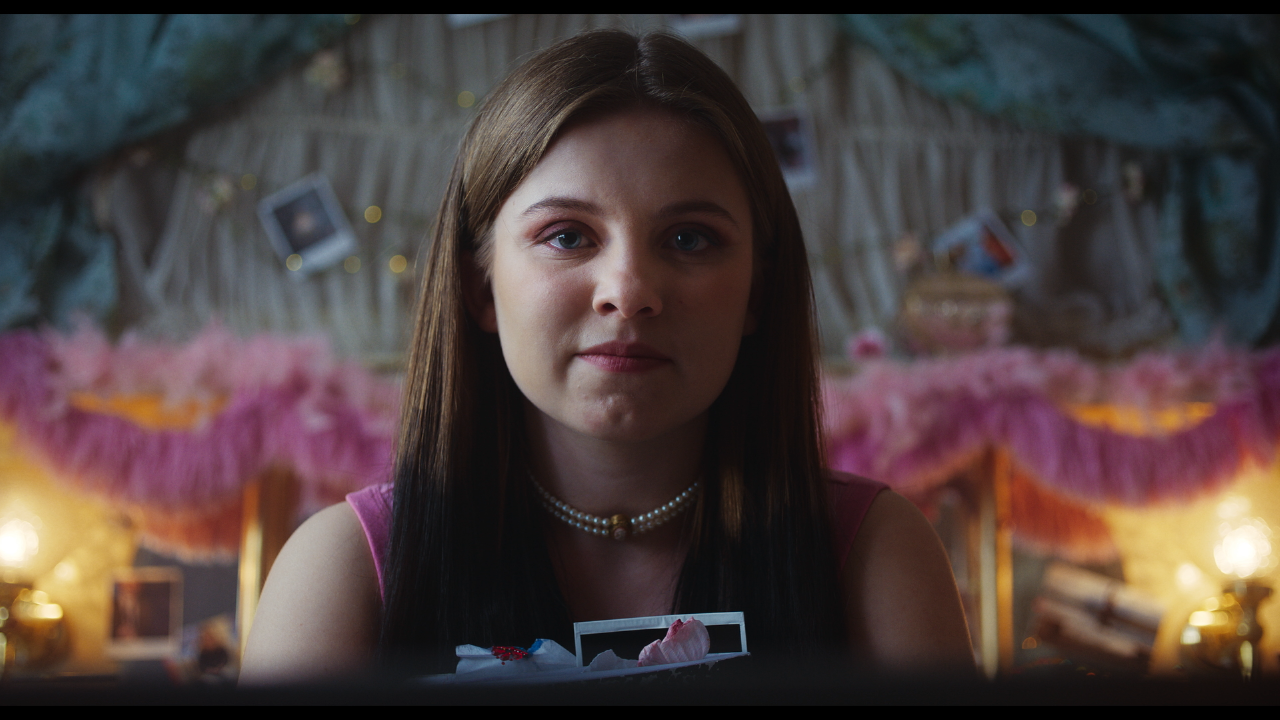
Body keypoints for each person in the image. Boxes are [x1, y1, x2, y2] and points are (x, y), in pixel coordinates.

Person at [239, 29, 972, 684]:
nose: (628, 292)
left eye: (690, 238)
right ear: (479, 286)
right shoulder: (342, 571)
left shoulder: (875, 554)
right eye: (567, 235)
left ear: (758, 292)